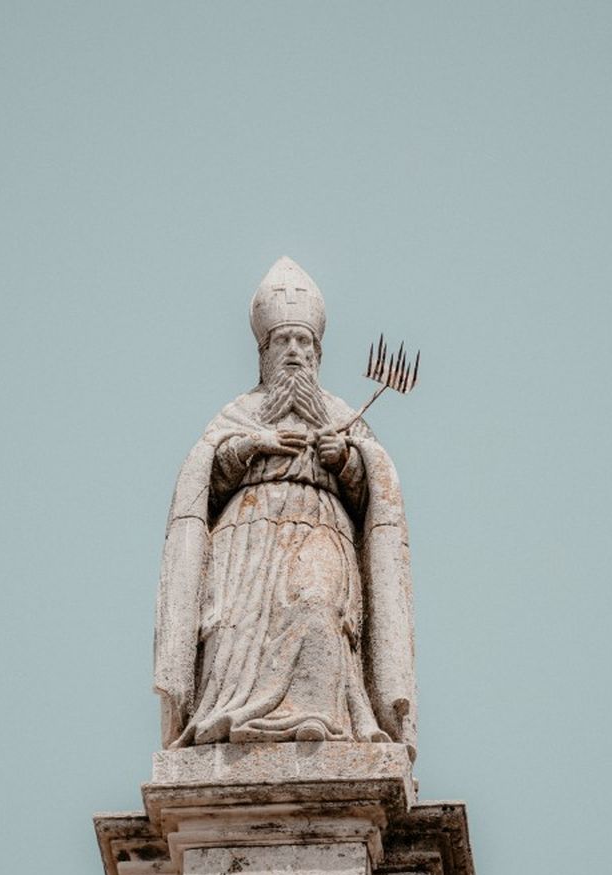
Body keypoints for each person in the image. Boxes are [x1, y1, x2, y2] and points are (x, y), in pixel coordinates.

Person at [153, 257, 416, 757]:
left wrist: (347, 458)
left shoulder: (341, 414)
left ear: (317, 353)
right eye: (283, 341)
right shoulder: (240, 412)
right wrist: (253, 444)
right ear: (265, 352)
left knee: (317, 602)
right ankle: (230, 713)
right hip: (246, 542)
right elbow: (204, 480)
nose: (294, 350)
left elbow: (375, 498)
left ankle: (319, 715)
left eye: (303, 342)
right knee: (231, 623)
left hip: (321, 527)